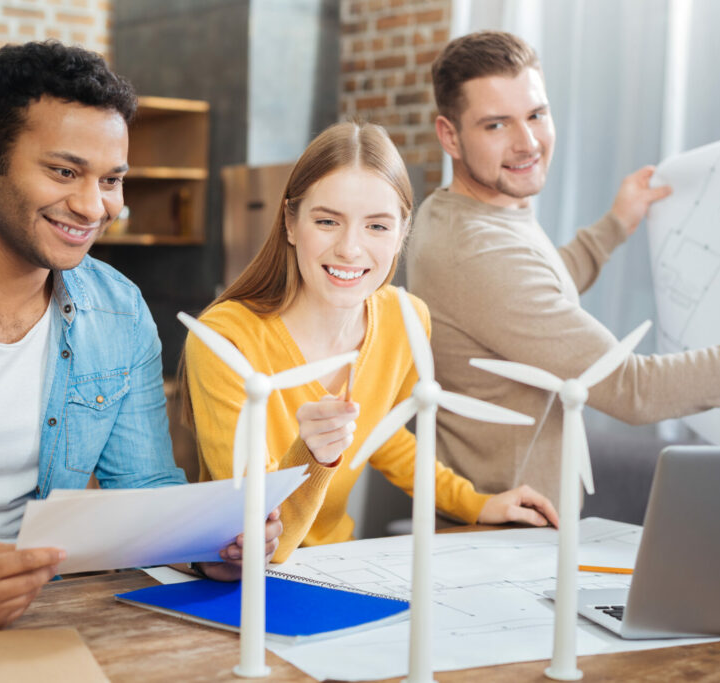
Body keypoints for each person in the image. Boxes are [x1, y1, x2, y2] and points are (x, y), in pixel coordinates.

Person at [0, 41, 279, 630]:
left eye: (112, 180)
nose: (92, 206)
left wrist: (210, 547)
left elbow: (144, 490)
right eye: (64, 171)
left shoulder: (120, 312)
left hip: (38, 624)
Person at [407, 30, 720, 505]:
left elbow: (533, 290)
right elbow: (632, 389)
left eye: (537, 115)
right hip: (496, 543)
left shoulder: (462, 212)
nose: (528, 143)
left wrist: (615, 226)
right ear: (450, 136)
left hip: (517, 531)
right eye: (496, 125)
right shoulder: (478, 252)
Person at [180, 120, 560, 564]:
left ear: (402, 232)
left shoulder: (406, 319)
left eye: (377, 227)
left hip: (339, 568)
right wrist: (314, 455)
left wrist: (475, 503)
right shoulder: (225, 340)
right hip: (235, 579)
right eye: (327, 221)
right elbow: (261, 537)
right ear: (289, 222)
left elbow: (382, 434)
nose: (350, 249)